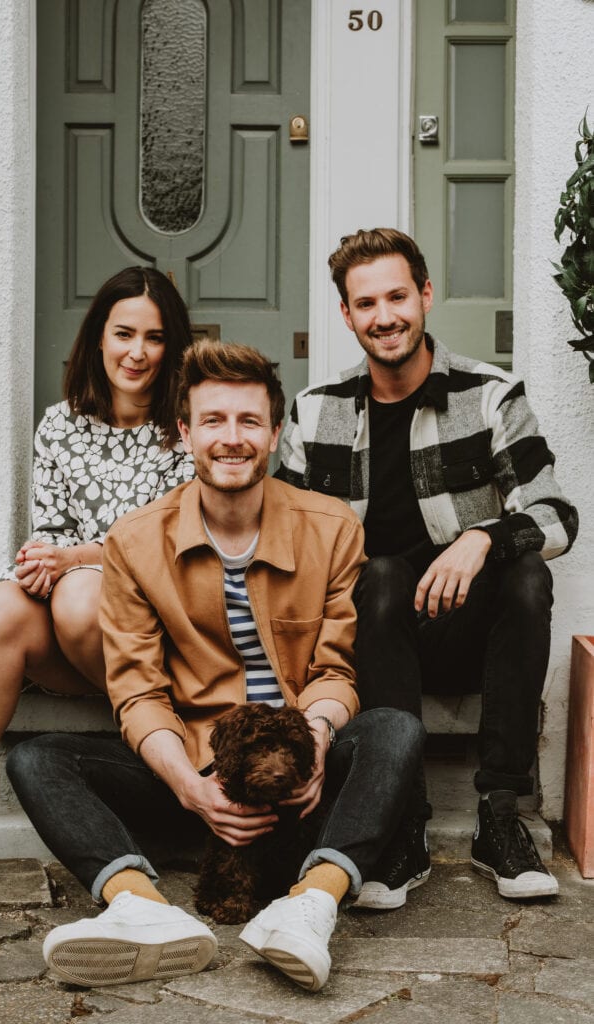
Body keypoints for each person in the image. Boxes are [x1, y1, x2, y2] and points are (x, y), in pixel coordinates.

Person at [6, 340, 426, 993]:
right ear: (184, 432)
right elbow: (137, 691)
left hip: (298, 776)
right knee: (36, 760)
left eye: (248, 421)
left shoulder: (331, 527)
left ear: (275, 433)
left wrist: (314, 744)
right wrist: (190, 787)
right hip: (197, 776)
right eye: (213, 421)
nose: (231, 439)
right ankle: (140, 907)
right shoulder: (135, 542)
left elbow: (335, 672)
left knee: (395, 729)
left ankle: (310, 903)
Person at [277, 228, 578, 907]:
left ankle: (498, 813)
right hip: (371, 643)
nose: (383, 316)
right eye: (365, 303)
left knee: (529, 573)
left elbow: (558, 515)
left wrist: (480, 540)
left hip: (470, 638)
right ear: (347, 314)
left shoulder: (490, 395)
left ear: (424, 296)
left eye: (396, 296)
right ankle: (402, 818)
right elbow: (280, 541)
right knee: (379, 574)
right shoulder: (314, 410)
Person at [0, 267, 195, 870]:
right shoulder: (61, 423)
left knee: (76, 592)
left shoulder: (189, 428)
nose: (137, 352)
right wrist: (46, 561)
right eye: (124, 333)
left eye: (154, 338)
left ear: (171, 346)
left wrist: (74, 560)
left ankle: (159, 736)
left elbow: (167, 548)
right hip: (80, 628)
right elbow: (53, 529)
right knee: (0, 608)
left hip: (164, 635)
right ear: (98, 336)